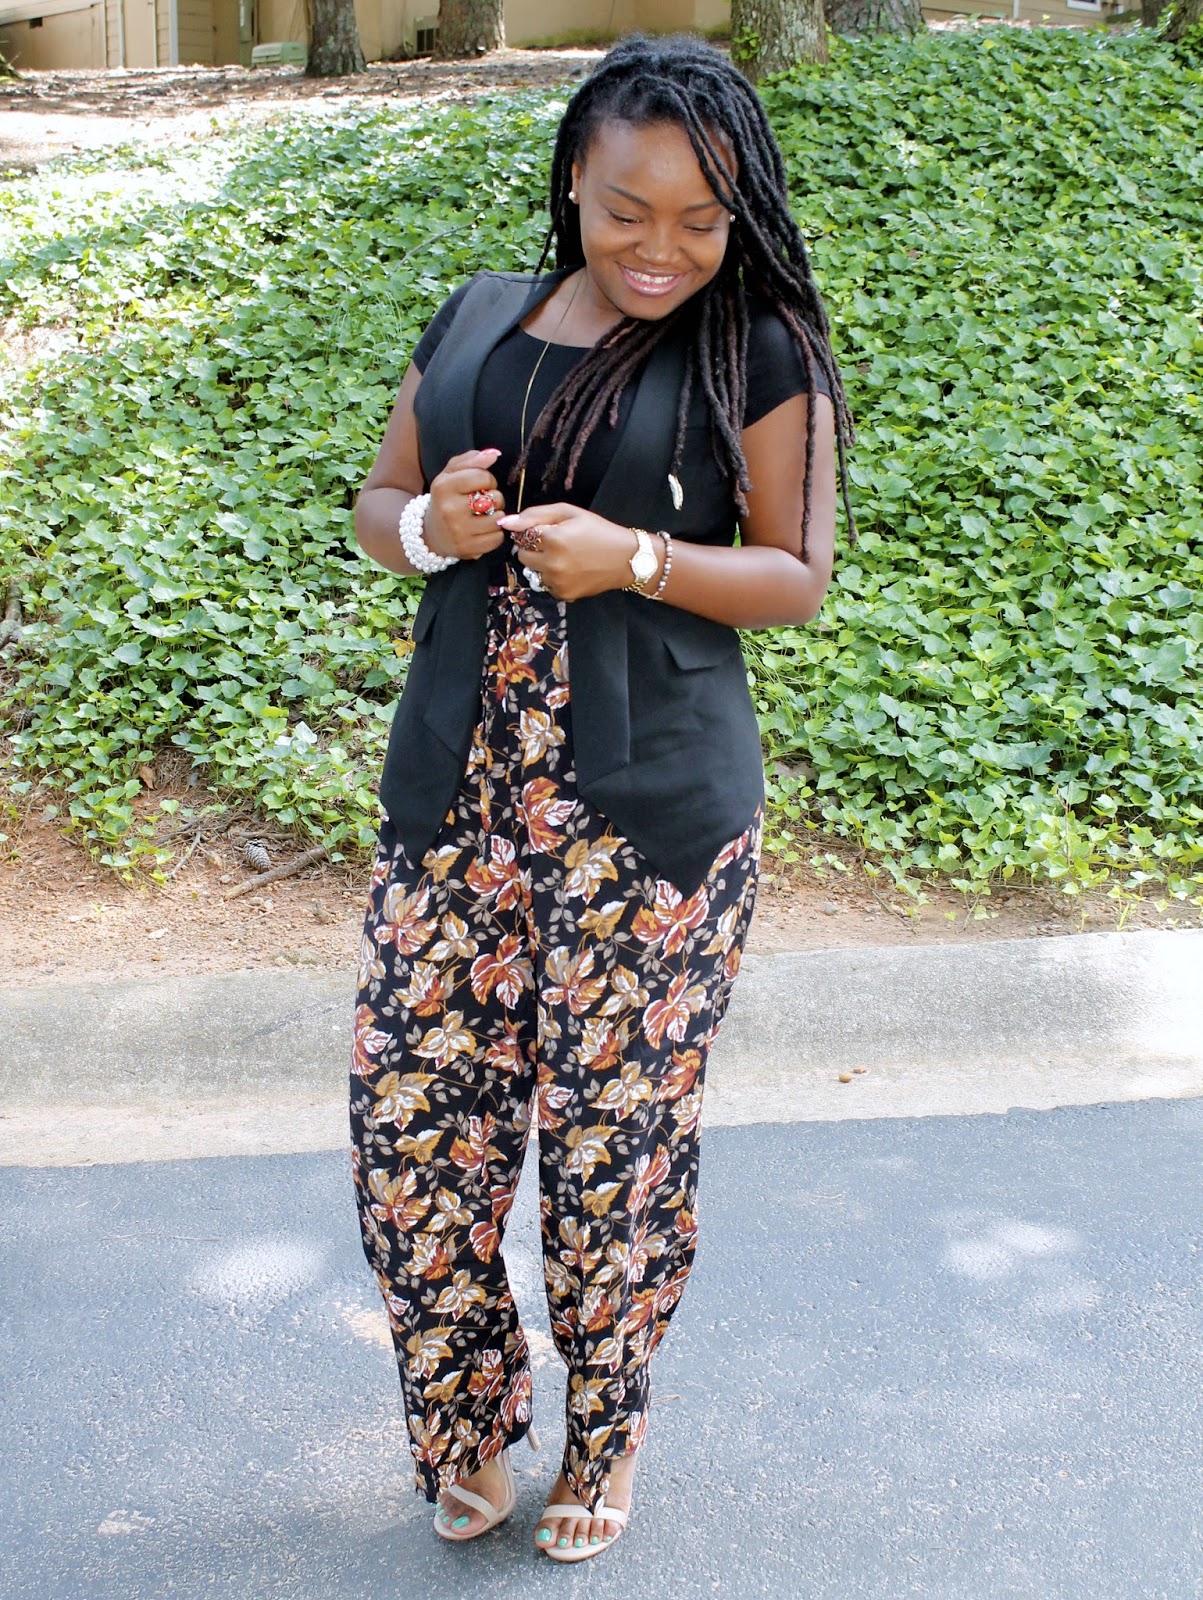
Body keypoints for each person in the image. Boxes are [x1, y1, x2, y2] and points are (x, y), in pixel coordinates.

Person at [348, 32, 856, 1565]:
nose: (662, 248)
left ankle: (607, 1429)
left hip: (652, 829)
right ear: (576, 176)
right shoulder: (479, 316)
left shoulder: (757, 349)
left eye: (702, 220)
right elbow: (379, 505)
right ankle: (465, 1419)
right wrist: (433, 531)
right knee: (412, 1132)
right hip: (457, 809)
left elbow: (796, 574)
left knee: (609, 1154)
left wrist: (634, 559)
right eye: (631, 209)